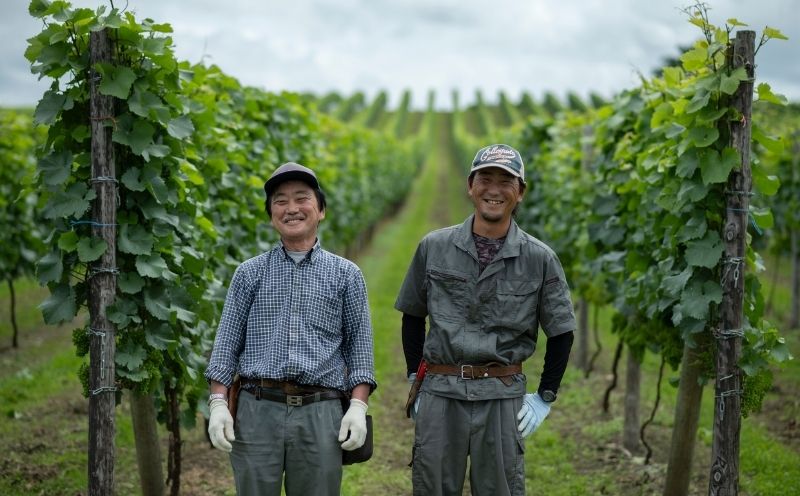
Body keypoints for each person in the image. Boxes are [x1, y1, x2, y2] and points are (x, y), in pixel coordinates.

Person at [395, 144, 576, 496]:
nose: (494, 189)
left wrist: (544, 397)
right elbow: (413, 315)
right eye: (485, 178)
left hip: (501, 396)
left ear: (520, 192)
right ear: (470, 186)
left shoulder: (540, 258)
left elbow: (562, 332)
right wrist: (413, 379)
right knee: (432, 486)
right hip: (441, 393)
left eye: (505, 181)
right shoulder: (434, 246)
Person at [205, 162, 377, 496]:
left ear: (321, 210)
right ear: (271, 215)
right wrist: (217, 403)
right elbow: (226, 346)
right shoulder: (248, 274)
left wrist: (358, 407)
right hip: (257, 410)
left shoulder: (347, 275)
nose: (292, 208)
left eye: (302, 198)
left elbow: (360, 350)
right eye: (280, 201)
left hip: (321, 412)